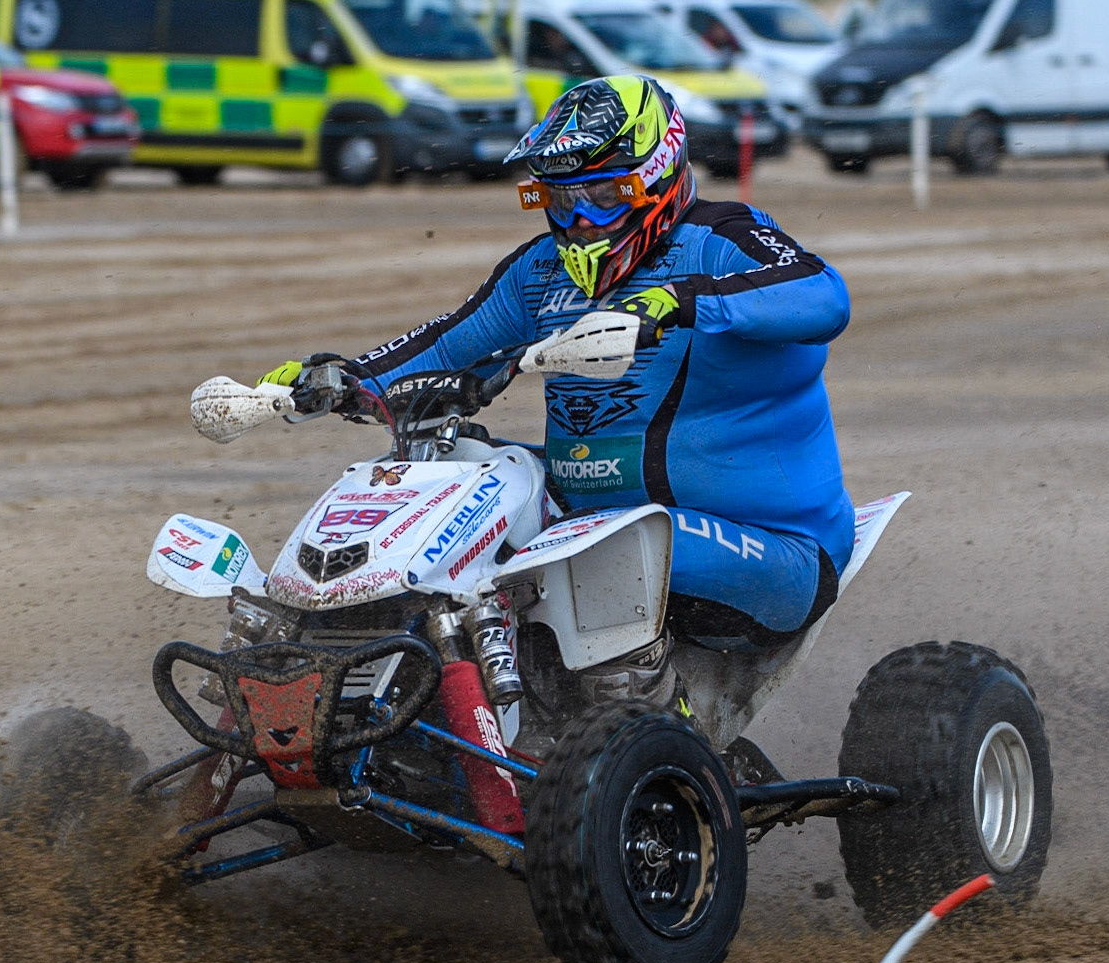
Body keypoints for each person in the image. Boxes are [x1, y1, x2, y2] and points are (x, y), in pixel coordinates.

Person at [259, 75, 853, 712]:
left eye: (602, 192)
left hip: (775, 548)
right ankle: (380, 704)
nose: (579, 219)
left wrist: (682, 303)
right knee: (443, 475)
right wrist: (341, 379)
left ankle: (657, 729)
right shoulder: (539, 270)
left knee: (613, 543)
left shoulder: (720, 239)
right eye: (560, 196)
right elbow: (443, 343)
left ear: (656, 174)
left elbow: (823, 294)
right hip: (579, 522)